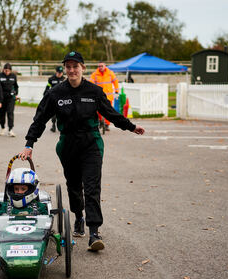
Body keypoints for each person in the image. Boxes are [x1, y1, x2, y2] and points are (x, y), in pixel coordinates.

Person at [19, 51, 145, 251]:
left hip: (91, 143)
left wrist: (130, 126)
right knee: (74, 186)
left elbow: (110, 113)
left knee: (92, 186)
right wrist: (29, 144)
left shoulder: (94, 91)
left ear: (83, 68)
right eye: (68, 67)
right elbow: (40, 119)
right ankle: (78, 216)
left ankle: (94, 231)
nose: (71, 70)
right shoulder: (55, 93)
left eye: (75, 66)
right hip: (68, 144)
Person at [90, 61, 119, 131]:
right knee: (98, 110)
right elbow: (91, 83)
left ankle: (107, 124)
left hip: (108, 96)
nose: (100, 67)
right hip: (98, 96)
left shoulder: (110, 73)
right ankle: (101, 121)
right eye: (99, 66)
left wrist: (117, 91)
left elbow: (115, 81)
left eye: (101, 66)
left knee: (108, 111)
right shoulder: (95, 74)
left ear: (105, 66)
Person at [0, 63, 19, 137]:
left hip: (10, 98)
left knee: (10, 113)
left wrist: (15, 93)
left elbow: (16, 86)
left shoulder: (13, 76)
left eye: (8, 70)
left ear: (11, 70)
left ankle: (10, 129)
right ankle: (2, 127)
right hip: (2, 98)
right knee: (2, 113)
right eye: (5, 70)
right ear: (3, 70)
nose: (7, 72)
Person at [44, 66, 65, 132]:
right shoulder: (51, 79)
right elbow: (47, 88)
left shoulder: (64, 79)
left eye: (61, 73)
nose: (60, 74)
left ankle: (61, 126)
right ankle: (53, 125)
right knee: (54, 114)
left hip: (62, 99)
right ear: (56, 72)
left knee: (62, 114)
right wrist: (45, 96)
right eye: (59, 72)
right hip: (54, 99)